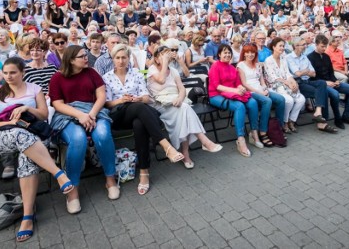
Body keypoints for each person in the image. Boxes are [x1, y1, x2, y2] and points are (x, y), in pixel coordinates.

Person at [0, 57, 74, 243]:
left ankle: (27, 215)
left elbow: (43, 115)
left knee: (27, 156)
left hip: (32, 137)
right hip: (1, 136)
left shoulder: (34, 89)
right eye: (6, 73)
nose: (8, 76)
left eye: (13, 73)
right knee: (21, 136)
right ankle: (59, 173)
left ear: (22, 73)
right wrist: (12, 123)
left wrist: (26, 108)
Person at [103, 44, 185, 194]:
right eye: (118, 58)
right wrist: (121, 100)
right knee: (139, 109)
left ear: (129, 58)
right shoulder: (107, 77)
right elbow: (107, 103)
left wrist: (138, 98)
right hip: (118, 115)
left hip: (138, 112)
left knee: (139, 123)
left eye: (124, 57)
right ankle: (166, 146)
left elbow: (147, 98)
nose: (121, 61)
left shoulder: (136, 74)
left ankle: (144, 173)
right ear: (113, 59)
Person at [49, 46, 120, 212]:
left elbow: (101, 96)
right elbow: (57, 104)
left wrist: (92, 114)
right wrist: (80, 115)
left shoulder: (92, 73)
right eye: (82, 56)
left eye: (86, 55)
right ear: (71, 60)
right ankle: (73, 189)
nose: (86, 58)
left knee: (102, 135)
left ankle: (110, 178)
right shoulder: (57, 78)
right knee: (78, 139)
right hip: (68, 113)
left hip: (94, 110)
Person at [147, 45, 222, 168]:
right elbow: (161, 80)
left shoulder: (174, 70)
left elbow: (181, 89)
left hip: (177, 101)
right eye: (164, 54)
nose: (168, 56)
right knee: (185, 110)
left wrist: (180, 98)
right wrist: (165, 62)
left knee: (184, 110)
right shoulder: (152, 69)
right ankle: (203, 142)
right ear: (156, 58)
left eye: (168, 54)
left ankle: (188, 152)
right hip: (160, 105)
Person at [208, 44, 258, 156]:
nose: (227, 54)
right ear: (219, 54)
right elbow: (217, 86)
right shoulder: (215, 66)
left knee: (253, 102)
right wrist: (235, 91)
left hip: (231, 94)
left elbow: (238, 83)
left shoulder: (232, 68)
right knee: (239, 106)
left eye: (229, 52)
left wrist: (240, 88)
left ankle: (254, 133)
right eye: (224, 52)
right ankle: (240, 139)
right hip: (216, 95)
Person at [307, 34, 349, 129]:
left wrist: (335, 80)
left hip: (331, 82)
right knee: (335, 95)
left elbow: (331, 72)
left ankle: (346, 116)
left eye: (325, 46)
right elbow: (312, 77)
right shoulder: (310, 57)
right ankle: (337, 118)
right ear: (316, 44)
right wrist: (326, 82)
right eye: (322, 46)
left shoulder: (326, 56)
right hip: (322, 84)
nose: (324, 49)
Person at [236, 44, 285, 147]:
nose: (250, 54)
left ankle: (278, 128)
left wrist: (265, 89)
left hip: (260, 89)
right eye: (247, 52)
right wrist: (261, 93)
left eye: (252, 52)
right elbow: (244, 83)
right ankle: (263, 132)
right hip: (250, 92)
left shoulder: (258, 65)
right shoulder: (241, 65)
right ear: (244, 54)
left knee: (280, 99)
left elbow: (262, 80)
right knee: (267, 101)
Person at [282, 38, 331, 133]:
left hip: (308, 81)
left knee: (322, 83)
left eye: (305, 45)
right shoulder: (289, 58)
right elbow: (297, 74)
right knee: (322, 91)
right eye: (303, 45)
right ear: (296, 46)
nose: (305, 46)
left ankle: (318, 113)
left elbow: (314, 74)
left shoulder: (304, 57)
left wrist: (304, 72)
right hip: (298, 83)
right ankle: (322, 121)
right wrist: (306, 71)